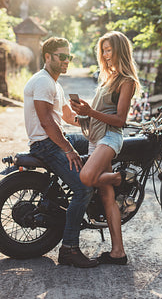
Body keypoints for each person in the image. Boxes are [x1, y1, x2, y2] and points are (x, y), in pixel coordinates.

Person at [23, 37, 97, 268]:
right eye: (62, 56)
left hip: (52, 140)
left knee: (97, 143)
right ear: (48, 57)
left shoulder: (55, 83)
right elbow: (46, 121)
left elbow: (66, 116)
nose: (67, 61)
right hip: (46, 144)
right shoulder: (44, 82)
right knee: (83, 188)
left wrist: (95, 124)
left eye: (69, 57)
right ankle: (69, 249)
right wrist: (69, 149)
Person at [70, 31, 141, 265]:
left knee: (87, 176)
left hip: (110, 138)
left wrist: (90, 112)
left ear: (120, 51)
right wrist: (82, 114)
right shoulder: (107, 78)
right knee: (106, 195)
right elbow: (99, 114)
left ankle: (120, 178)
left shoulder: (126, 81)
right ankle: (118, 252)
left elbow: (120, 120)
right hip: (96, 137)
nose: (105, 54)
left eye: (109, 49)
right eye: (103, 50)